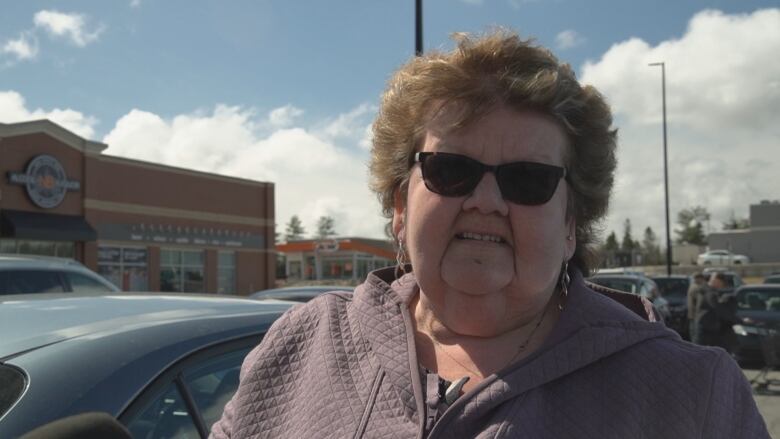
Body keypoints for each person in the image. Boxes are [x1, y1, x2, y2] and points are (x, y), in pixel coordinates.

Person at [211, 30, 768, 438]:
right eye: (451, 170)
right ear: (402, 205)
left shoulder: (692, 394)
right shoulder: (300, 342)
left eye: (528, 180)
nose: (486, 200)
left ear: (571, 225)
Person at [694, 272, 738, 350]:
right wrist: (737, 320)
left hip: (705, 327)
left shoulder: (706, 290)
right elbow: (718, 308)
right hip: (706, 329)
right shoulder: (709, 292)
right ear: (716, 281)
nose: (722, 286)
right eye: (722, 283)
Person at [687, 272, 706, 341]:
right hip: (696, 315)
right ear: (700, 279)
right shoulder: (697, 288)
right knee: (697, 337)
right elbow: (700, 302)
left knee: (693, 335)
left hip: (692, 315)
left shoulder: (692, 286)